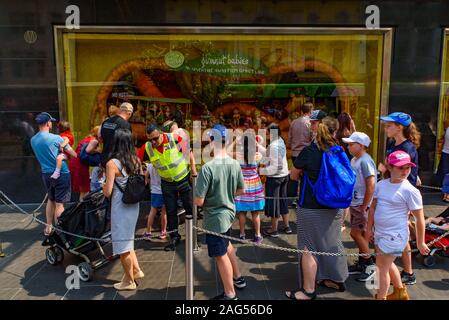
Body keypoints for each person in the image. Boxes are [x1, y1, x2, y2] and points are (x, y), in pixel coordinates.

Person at [286, 112, 348, 300]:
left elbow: (293, 175)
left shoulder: (309, 152)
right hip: (335, 206)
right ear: (334, 131)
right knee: (332, 243)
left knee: (308, 248)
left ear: (316, 128)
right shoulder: (338, 150)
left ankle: (308, 291)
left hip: (311, 206)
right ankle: (336, 279)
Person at [366, 151, 430, 300]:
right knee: (386, 264)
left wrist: (420, 242)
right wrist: (369, 229)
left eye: (408, 167)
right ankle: (400, 292)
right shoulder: (381, 185)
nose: (405, 171)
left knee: (382, 268)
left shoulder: (410, 191)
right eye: (400, 167)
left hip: (396, 236)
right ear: (390, 167)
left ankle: (381, 297)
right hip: (380, 232)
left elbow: (419, 218)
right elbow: (373, 208)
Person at [194, 124, 246, 300]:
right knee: (227, 244)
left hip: (215, 218)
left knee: (220, 255)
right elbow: (241, 190)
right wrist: (225, 194)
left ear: (211, 141)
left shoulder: (207, 168)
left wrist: (214, 196)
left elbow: (198, 201)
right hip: (229, 212)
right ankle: (238, 278)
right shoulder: (234, 164)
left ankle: (230, 293)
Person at [378, 112, 421, 285]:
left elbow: (404, 174)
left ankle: (408, 272)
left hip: (401, 198)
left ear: (399, 127)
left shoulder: (407, 148)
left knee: (402, 232)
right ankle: (407, 272)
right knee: (401, 233)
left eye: (389, 125)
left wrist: (384, 170)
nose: (386, 128)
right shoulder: (392, 143)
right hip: (391, 193)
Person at [145, 123, 197, 251]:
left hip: (183, 179)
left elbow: (188, 153)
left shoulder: (175, 139)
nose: (153, 142)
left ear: (162, 134)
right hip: (167, 183)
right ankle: (174, 237)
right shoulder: (148, 147)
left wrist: (193, 171)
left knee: (189, 207)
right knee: (171, 211)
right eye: (150, 139)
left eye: (155, 138)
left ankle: (194, 236)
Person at [103, 129, 143, 291]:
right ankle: (136, 270)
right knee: (128, 239)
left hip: (121, 206)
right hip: (134, 204)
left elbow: (108, 192)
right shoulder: (136, 160)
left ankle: (129, 282)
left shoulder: (112, 164)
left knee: (122, 245)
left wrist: (103, 184)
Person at [30, 112, 77, 236]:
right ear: (48, 123)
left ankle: (48, 227)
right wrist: (64, 154)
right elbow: (74, 154)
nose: (52, 123)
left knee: (51, 199)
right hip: (61, 173)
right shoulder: (56, 138)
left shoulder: (33, 139)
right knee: (60, 203)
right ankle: (61, 232)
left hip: (46, 173)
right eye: (51, 121)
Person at [342, 132, 377, 282]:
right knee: (360, 234)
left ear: (361, 146)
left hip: (362, 205)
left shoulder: (365, 161)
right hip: (356, 203)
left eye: (351, 144)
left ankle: (370, 264)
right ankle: (363, 262)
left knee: (356, 234)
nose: (348, 147)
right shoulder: (355, 159)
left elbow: (371, 185)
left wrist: (365, 206)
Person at [232, 132, 265, 244]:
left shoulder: (238, 155)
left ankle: (242, 235)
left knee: (242, 212)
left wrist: (233, 142)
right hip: (255, 185)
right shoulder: (257, 155)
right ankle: (257, 235)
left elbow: (226, 152)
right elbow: (267, 153)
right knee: (255, 212)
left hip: (242, 185)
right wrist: (257, 144)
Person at [260, 123, 291, 237]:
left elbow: (274, 166)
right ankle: (287, 226)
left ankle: (274, 229)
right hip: (284, 175)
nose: (266, 135)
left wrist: (261, 172)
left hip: (275, 178)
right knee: (282, 201)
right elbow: (268, 156)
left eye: (267, 133)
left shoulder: (273, 146)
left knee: (274, 203)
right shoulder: (280, 141)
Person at [287, 102, 314, 204]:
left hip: (295, 154)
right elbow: (312, 138)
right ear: (310, 111)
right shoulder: (310, 123)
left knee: (294, 176)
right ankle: (303, 198)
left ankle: (292, 199)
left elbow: (289, 139)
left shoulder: (294, 122)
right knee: (306, 176)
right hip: (306, 153)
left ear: (302, 111)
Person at [69, 126, 101, 199]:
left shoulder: (88, 138)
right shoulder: (94, 141)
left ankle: (81, 207)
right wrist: (98, 151)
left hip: (76, 162)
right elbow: (88, 150)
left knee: (83, 189)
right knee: (85, 190)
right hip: (80, 165)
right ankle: (83, 208)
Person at [99, 102, 133, 167]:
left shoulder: (105, 122)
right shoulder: (125, 125)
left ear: (120, 110)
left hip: (104, 158)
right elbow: (127, 144)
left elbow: (100, 137)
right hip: (117, 161)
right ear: (129, 113)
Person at [143, 163, 167, 240]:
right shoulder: (164, 164)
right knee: (164, 213)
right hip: (164, 191)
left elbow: (145, 176)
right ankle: (163, 232)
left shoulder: (150, 165)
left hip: (154, 191)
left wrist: (147, 181)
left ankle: (148, 232)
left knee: (152, 212)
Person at [437, 121, 449, 201]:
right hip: (446, 152)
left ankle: (446, 193)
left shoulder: (447, 128)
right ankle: (446, 194)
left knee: (447, 174)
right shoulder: (447, 128)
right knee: (447, 174)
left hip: (445, 152)